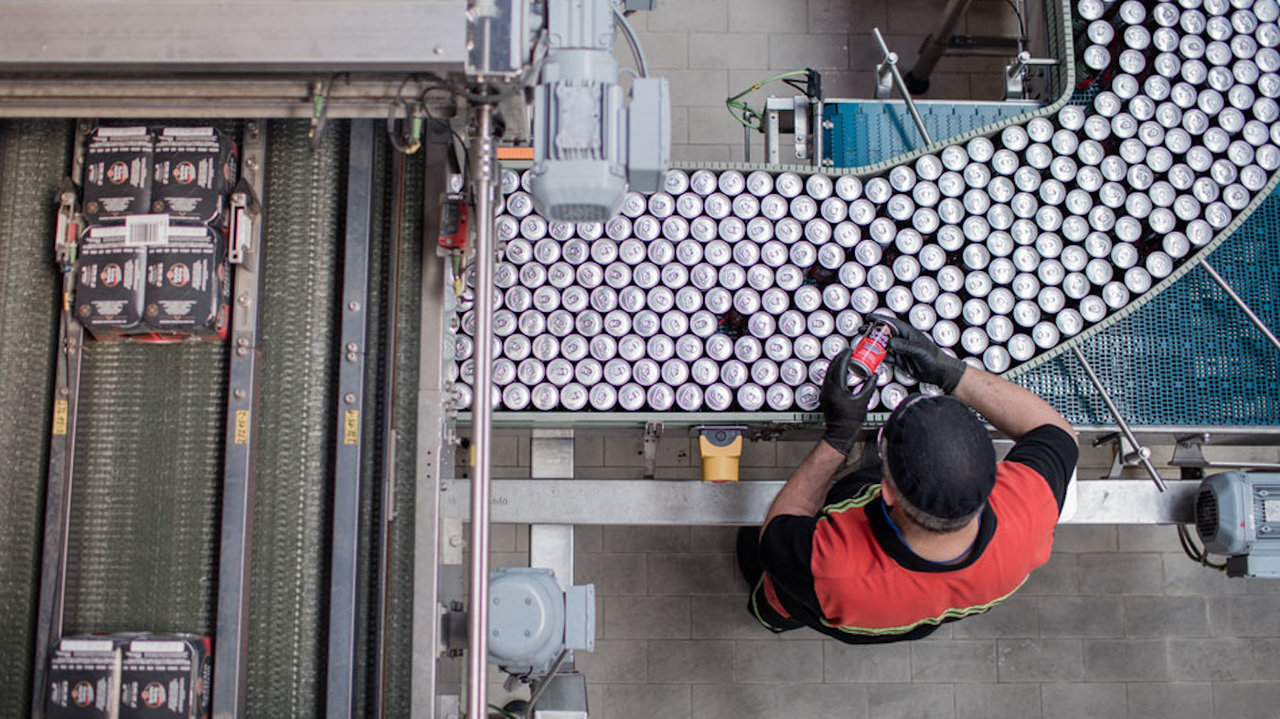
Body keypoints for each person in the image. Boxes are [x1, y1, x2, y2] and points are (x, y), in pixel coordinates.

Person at [739, 316, 1079, 643]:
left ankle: (770, 617)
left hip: (834, 606)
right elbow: (1058, 433)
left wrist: (838, 438)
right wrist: (950, 371)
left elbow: (783, 523)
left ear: (886, 490)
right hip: (923, 611)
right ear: (991, 473)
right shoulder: (1028, 510)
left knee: (772, 589)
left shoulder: (833, 570)